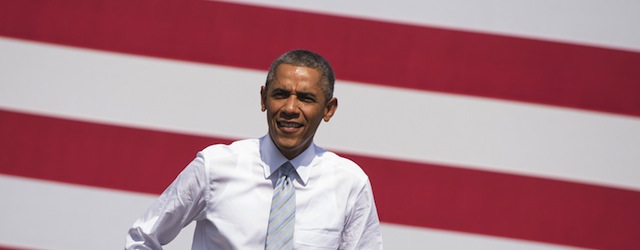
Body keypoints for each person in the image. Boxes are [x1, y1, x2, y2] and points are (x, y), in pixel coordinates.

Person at [125, 50, 383, 249]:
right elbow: (142, 239)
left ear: (329, 109)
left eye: (305, 98)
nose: (290, 108)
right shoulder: (214, 167)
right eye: (280, 94)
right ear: (263, 99)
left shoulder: (350, 184)